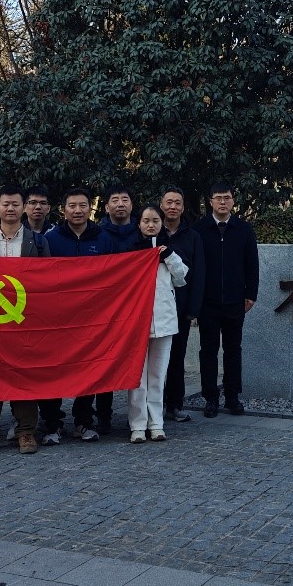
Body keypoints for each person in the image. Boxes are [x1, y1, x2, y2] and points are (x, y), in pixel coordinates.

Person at [0, 185, 50, 458]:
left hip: (26, 322)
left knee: (24, 377)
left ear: (24, 207)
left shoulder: (38, 243)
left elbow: (48, 281)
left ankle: (26, 431)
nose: (11, 208)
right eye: (6, 204)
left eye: (16, 204)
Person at [41, 187, 103, 445]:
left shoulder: (103, 238)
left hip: (92, 318)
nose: (78, 211)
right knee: (52, 371)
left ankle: (83, 421)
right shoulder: (49, 240)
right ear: (63, 210)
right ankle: (52, 424)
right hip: (56, 319)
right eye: (72, 206)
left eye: (83, 205)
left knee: (89, 370)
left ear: (91, 208)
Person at [193, 182, 259, 417]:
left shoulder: (243, 229)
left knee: (233, 349)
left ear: (233, 200)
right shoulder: (199, 229)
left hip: (235, 300)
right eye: (218, 198)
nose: (223, 202)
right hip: (207, 302)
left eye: (227, 197)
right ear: (210, 201)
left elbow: (252, 264)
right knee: (208, 350)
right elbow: (193, 266)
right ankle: (210, 398)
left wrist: (251, 294)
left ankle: (232, 396)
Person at [80, 183, 140, 438]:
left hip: (135, 305)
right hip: (102, 308)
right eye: (114, 200)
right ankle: (103, 415)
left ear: (132, 205)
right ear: (106, 207)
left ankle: (140, 416)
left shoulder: (142, 231)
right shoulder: (98, 234)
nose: (120, 204)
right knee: (102, 361)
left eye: (124, 199)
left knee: (137, 360)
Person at [127, 206, 188, 443]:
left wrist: (169, 256)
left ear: (162, 223)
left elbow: (181, 279)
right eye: (146, 220)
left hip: (164, 320)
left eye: (155, 220)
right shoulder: (132, 251)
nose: (150, 225)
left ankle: (156, 423)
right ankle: (137, 425)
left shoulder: (169, 250)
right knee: (137, 377)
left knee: (157, 375)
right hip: (137, 322)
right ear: (139, 224)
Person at [160, 185, 203, 423]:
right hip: (154, 308)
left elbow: (199, 274)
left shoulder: (192, 236)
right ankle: (151, 407)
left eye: (177, 203)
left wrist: (193, 309)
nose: (173, 207)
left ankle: (175, 405)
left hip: (181, 307)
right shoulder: (152, 232)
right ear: (161, 205)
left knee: (177, 358)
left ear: (183, 207)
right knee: (154, 360)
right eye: (169, 202)